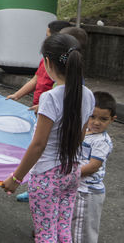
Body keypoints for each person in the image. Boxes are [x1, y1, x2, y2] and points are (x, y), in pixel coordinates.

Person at [1, 34, 95, 242]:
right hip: (72, 169)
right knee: (63, 229)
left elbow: (38, 145)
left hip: (46, 176)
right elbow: (79, 135)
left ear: (48, 63)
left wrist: (16, 178)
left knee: (45, 234)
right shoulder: (87, 94)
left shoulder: (50, 97)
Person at [6, 19, 71, 203]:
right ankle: (34, 185)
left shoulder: (56, 88)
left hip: (47, 113)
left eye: (48, 36)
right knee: (37, 149)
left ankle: (35, 186)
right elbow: (35, 80)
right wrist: (17, 95)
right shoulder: (46, 62)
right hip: (40, 111)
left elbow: (39, 145)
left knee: (39, 148)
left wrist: (14, 179)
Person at [71, 91, 116, 243]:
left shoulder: (101, 141)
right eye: (92, 117)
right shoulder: (87, 132)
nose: (96, 122)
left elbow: (93, 167)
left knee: (82, 232)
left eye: (103, 119)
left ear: (112, 119)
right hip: (79, 187)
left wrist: (68, 174)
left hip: (88, 193)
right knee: (74, 225)